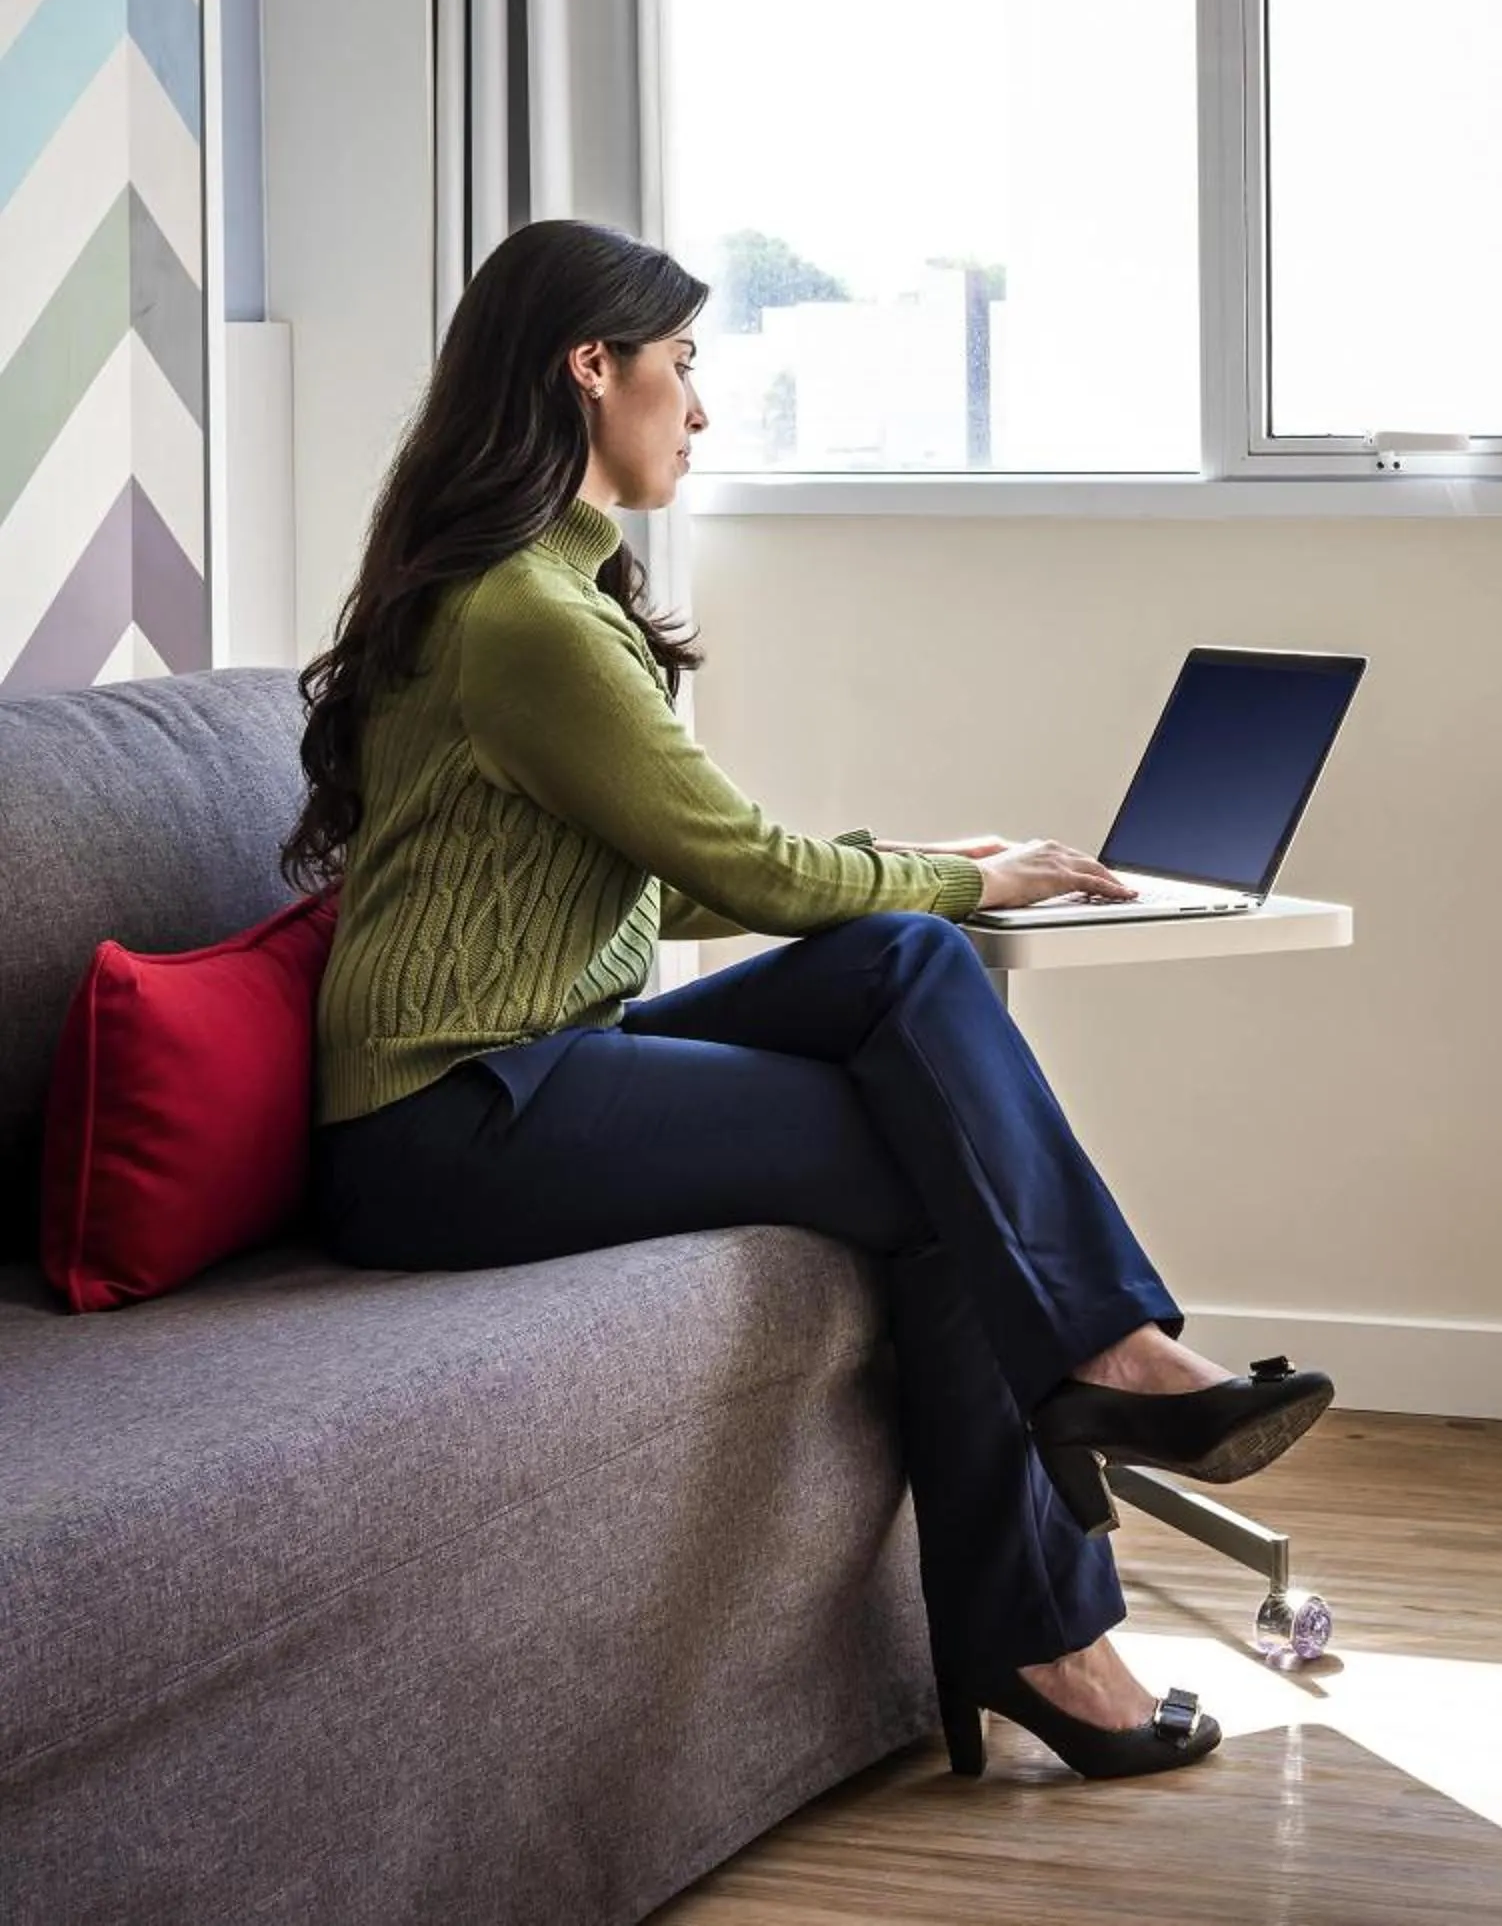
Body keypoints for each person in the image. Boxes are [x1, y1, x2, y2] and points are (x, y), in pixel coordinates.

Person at [292, 218, 1331, 1782]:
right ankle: (1062, 1553)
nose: (701, 407)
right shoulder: (526, 617)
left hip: (534, 1068)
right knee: (938, 1135)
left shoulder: (542, 595)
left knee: (907, 974)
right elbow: (746, 868)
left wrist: (933, 874)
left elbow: (663, 882)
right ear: (591, 368)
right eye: (682, 364)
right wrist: (961, 876)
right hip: (446, 1121)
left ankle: (1098, 1402)